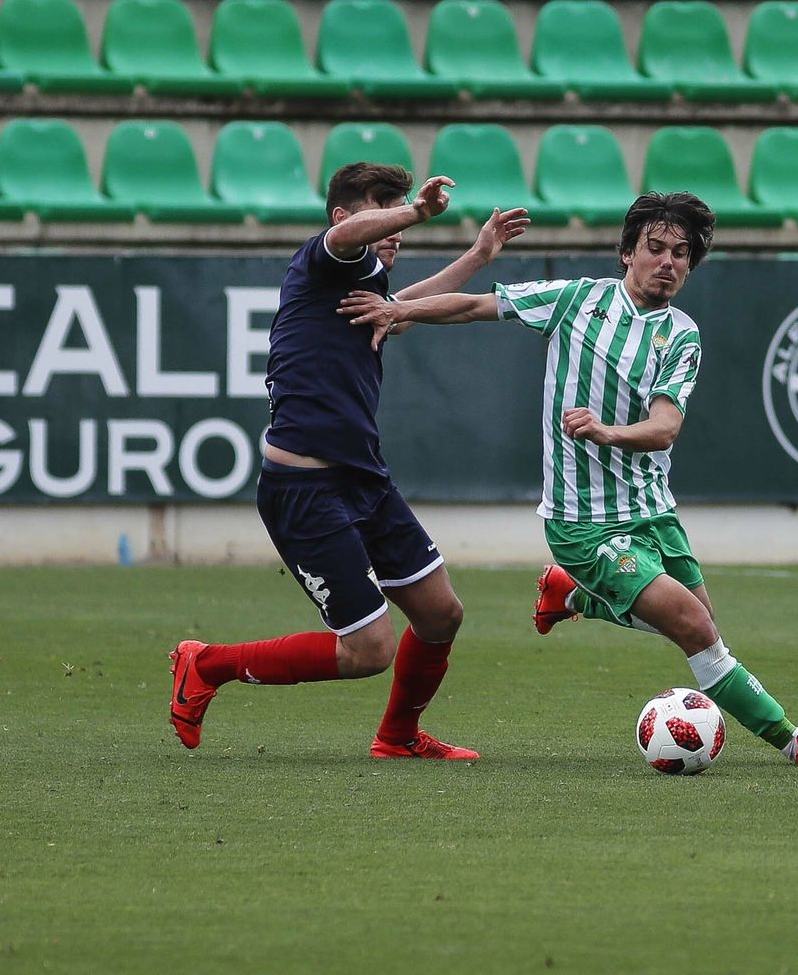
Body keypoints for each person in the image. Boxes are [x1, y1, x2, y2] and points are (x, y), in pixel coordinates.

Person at [338, 192, 798, 768]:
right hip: (585, 522)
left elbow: (664, 428)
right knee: (693, 625)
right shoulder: (577, 300)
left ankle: (571, 594)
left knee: (701, 629)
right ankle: (794, 741)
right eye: (655, 248)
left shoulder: (681, 334)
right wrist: (399, 310)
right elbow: (475, 306)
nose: (669, 262)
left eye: (682, 254)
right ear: (628, 252)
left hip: (655, 513)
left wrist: (607, 432)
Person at [168, 163, 528, 759]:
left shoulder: (360, 290)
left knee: (440, 614)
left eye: (398, 211)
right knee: (368, 651)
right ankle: (207, 664)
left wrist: (477, 256)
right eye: (381, 208)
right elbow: (342, 240)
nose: (395, 226)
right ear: (343, 216)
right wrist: (416, 211)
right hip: (304, 489)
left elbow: (401, 307)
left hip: (363, 480)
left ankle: (398, 738)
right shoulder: (324, 259)